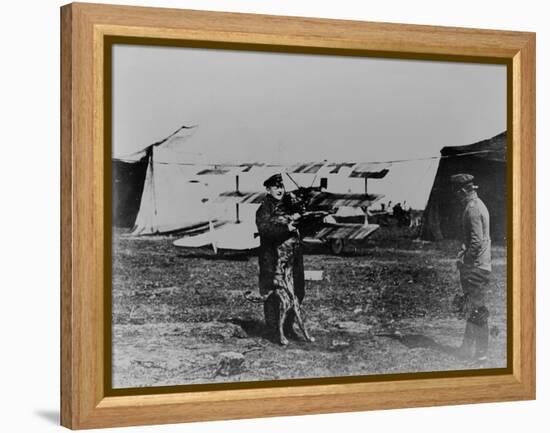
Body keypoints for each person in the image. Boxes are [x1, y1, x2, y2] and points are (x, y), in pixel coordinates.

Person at [255, 173, 305, 342]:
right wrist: (287, 228)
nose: (279, 190)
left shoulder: (290, 205)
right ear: (268, 189)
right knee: (272, 294)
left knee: (297, 291)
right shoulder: (264, 208)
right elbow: (265, 230)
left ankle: (288, 328)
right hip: (272, 258)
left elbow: (302, 222)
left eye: (281, 186)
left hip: (292, 257)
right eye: (275, 187)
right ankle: (273, 331)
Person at [450, 173, 492, 362]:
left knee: (477, 310)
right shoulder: (477, 205)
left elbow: (476, 242)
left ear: (462, 191)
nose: (456, 197)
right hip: (479, 265)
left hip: (476, 267)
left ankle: (481, 353)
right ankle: (467, 349)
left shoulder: (472, 209)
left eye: (457, 193)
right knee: (472, 307)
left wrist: (465, 262)